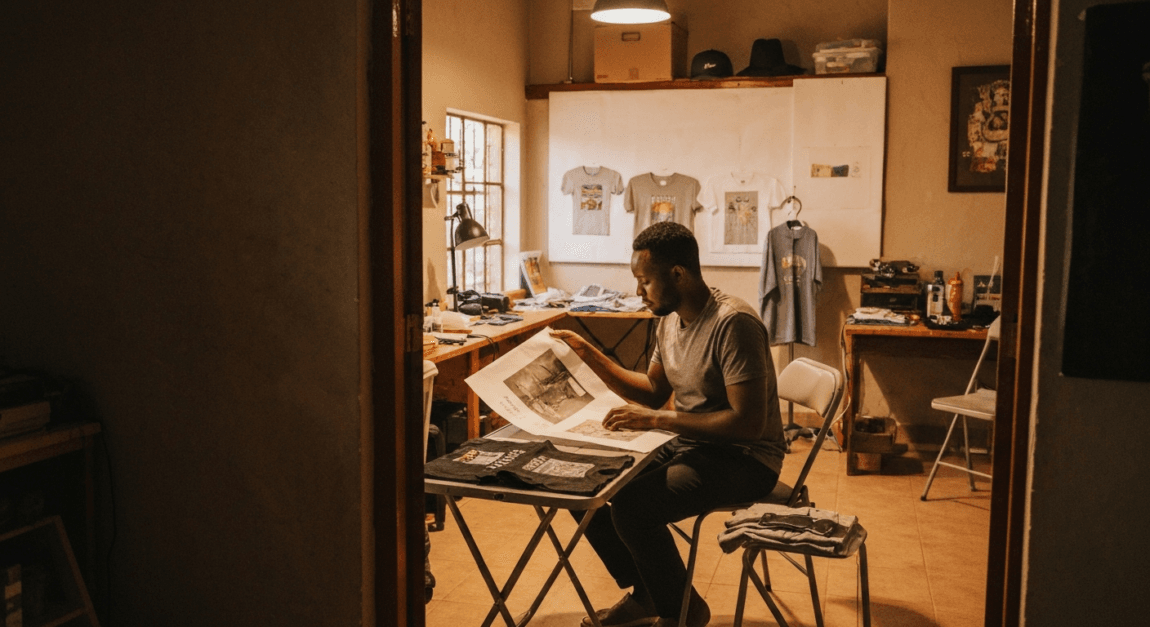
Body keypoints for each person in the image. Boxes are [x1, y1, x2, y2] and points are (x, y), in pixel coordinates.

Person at [550, 221, 786, 627]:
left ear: (678, 274)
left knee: (631, 508)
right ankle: (649, 593)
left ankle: (683, 612)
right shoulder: (669, 319)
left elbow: (747, 425)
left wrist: (658, 420)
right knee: (583, 484)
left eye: (644, 281)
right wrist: (587, 352)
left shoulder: (734, 324)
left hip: (746, 459)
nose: (638, 291)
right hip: (695, 445)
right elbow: (653, 390)